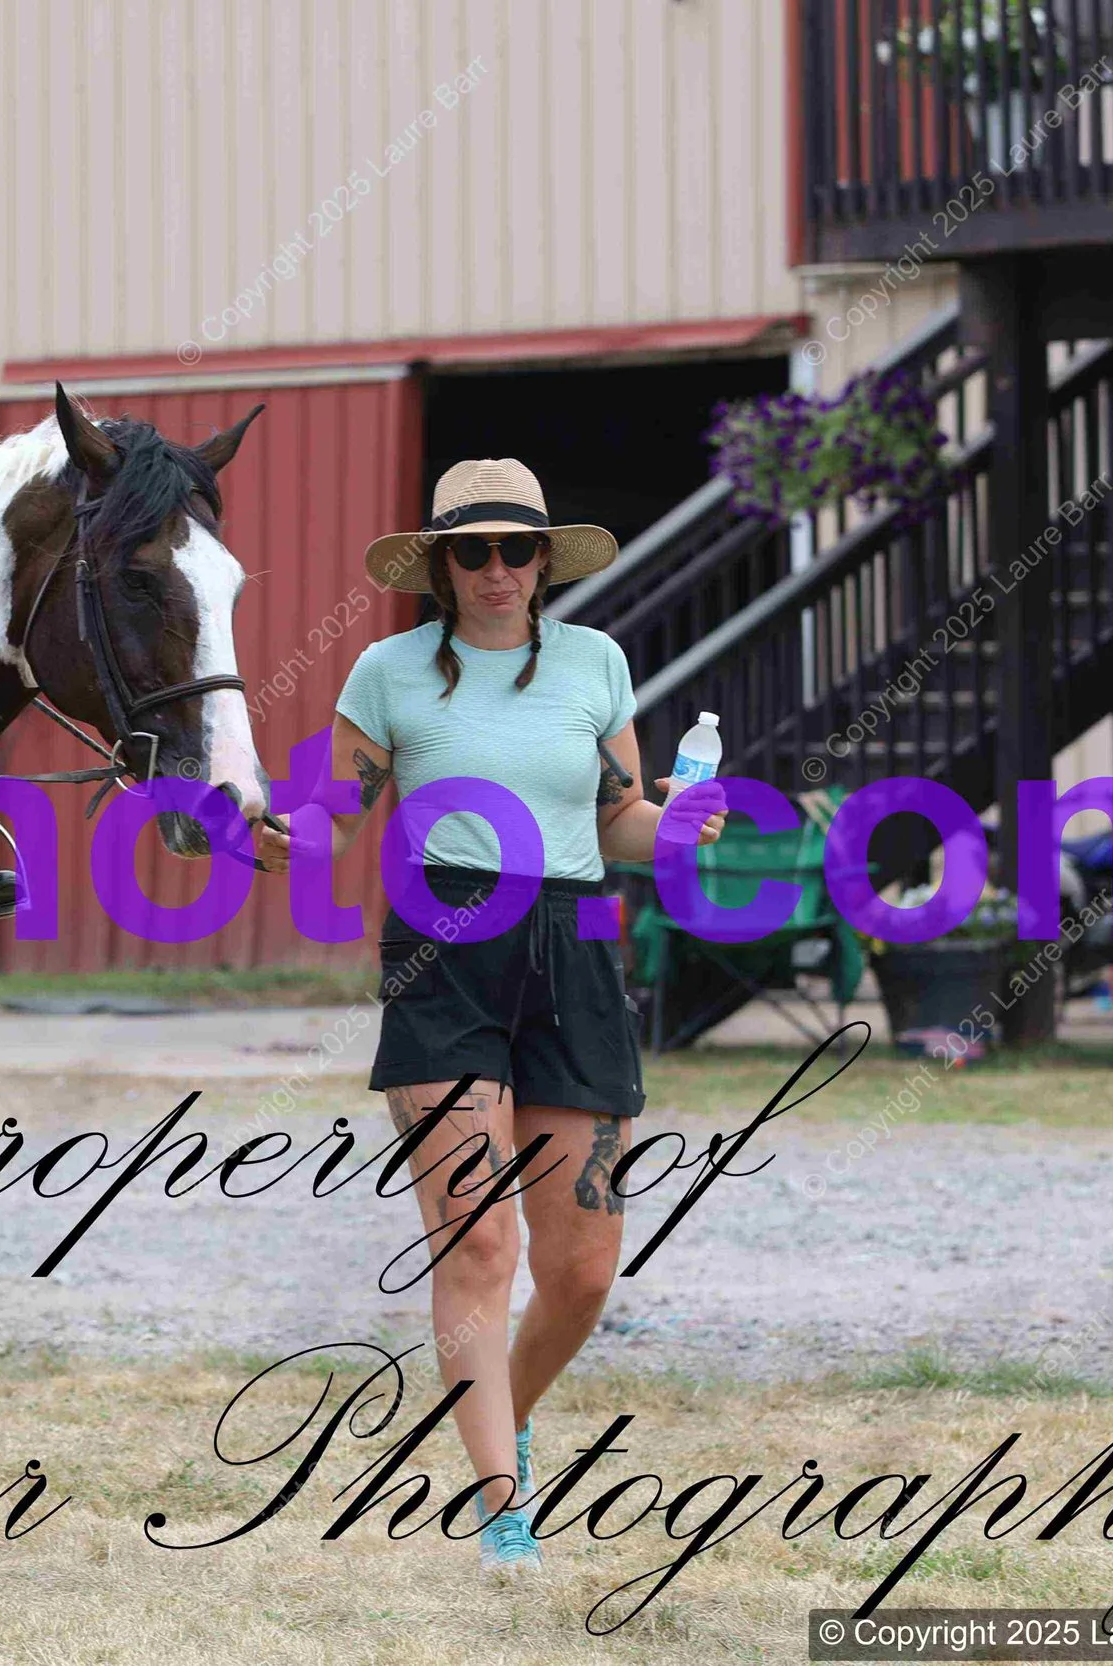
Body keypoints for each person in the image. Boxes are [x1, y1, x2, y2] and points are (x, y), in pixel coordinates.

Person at [259, 458, 724, 1577]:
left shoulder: (595, 663)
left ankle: (501, 1414)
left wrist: (674, 828)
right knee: (477, 1239)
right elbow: (334, 818)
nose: (497, 569)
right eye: (474, 550)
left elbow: (618, 821)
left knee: (583, 1268)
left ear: (543, 559)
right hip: (443, 948)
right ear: (442, 565)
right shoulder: (386, 673)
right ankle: (503, 1511)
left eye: (517, 549)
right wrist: (268, 834)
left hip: (574, 943)